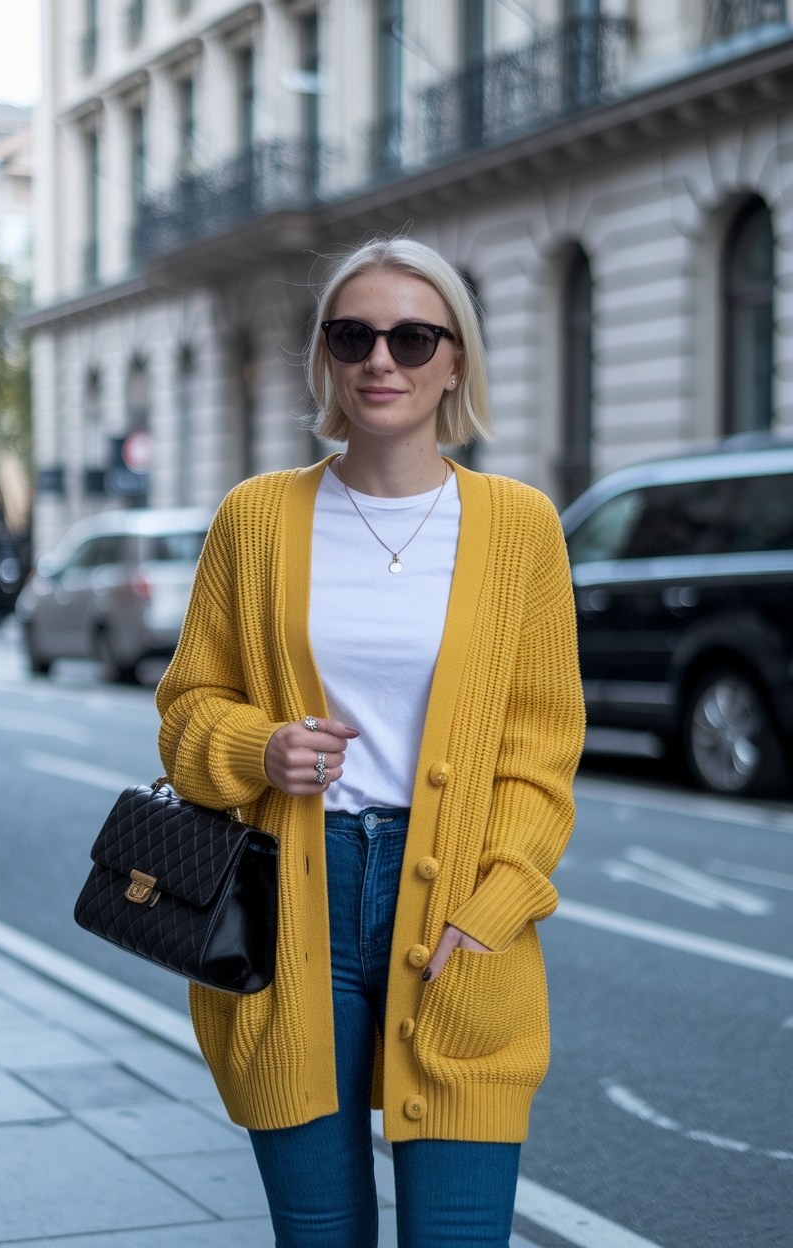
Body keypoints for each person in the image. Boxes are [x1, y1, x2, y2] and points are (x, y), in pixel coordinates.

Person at [156, 237, 585, 1248]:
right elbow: (186, 711)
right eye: (352, 336)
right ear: (326, 357)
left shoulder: (520, 528)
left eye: (412, 338)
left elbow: (541, 749)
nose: (380, 359)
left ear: (456, 361)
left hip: (456, 912)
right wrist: (260, 749)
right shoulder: (255, 518)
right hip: (287, 906)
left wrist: (494, 905)